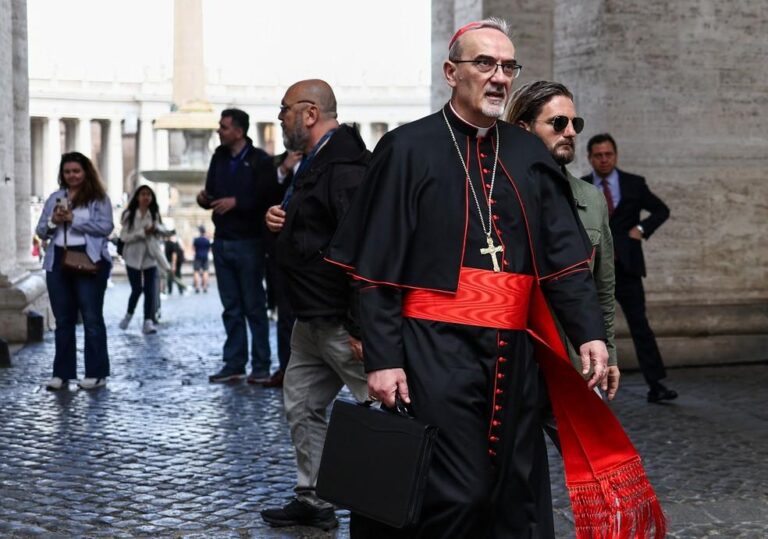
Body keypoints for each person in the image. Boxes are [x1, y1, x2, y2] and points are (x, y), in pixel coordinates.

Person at [327, 18, 664, 538]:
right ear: (451, 71)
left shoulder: (529, 155)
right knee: (453, 489)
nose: (499, 76)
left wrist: (590, 333)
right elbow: (375, 269)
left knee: (510, 486)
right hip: (433, 350)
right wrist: (384, 359)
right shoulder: (407, 149)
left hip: (514, 352)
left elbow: (564, 261)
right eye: (484, 63)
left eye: (508, 66)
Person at [259, 80, 369, 531]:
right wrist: (277, 220)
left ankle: (411, 497)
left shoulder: (346, 168)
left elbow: (363, 248)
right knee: (301, 404)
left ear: (309, 113)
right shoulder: (315, 162)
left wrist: (362, 326)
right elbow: (314, 229)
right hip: (310, 318)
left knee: (389, 405)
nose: (280, 118)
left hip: (341, 321)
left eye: (284, 110)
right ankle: (315, 497)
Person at [507, 80, 620, 401]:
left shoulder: (591, 199)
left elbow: (602, 288)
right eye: (558, 123)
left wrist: (608, 353)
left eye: (575, 123)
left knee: (595, 450)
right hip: (513, 364)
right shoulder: (494, 197)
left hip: (575, 364)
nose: (570, 131)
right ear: (524, 128)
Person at [581, 133, 676, 404]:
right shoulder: (582, 186)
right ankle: (590, 385)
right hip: (595, 269)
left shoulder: (634, 184)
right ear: (590, 158)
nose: (603, 159)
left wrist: (642, 229)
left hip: (628, 268)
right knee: (591, 327)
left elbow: (661, 210)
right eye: (598, 155)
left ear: (616, 155)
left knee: (640, 325)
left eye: (608, 154)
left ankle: (656, 383)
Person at [196, 108, 281, 383]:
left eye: (223, 127)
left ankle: (260, 365)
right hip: (223, 240)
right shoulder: (218, 157)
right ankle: (234, 363)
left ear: (239, 131)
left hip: (250, 241)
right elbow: (211, 190)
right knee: (231, 306)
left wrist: (236, 202)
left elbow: (268, 196)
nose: (219, 131)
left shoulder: (260, 161)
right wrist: (204, 199)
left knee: (254, 306)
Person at [35, 152, 114, 390]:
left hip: (89, 259)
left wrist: (74, 220)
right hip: (58, 260)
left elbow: (106, 227)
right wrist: (54, 221)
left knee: (91, 317)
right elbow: (41, 230)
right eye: (67, 172)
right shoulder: (55, 197)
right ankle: (62, 373)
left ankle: (96, 372)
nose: (72, 176)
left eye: (76, 171)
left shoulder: (98, 198)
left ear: (86, 172)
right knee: (63, 319)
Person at [261, 151, 302, 388]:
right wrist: (283, 170)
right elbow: (261, 196)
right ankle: (286, 368)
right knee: (284, 314)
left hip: (314, 254)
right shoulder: (276, 164)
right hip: (281, 252)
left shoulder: (327, 159)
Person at [118, 185, 164, 335]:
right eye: (143, 194)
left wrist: (160, 232)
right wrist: (143, 232)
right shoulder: (129, 215)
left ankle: (148, 321)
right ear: (137, 197)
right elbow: (124, 237)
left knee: (150, 290)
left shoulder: (154, 214)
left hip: (150, 255)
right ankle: (129, 315)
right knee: (137, 289)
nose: (146, 197)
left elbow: (157, 235)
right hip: (133, 255)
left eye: (149, 195)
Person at [192, 225, 211, 293]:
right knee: (205, 271)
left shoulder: (196, 240)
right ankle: (205, 287)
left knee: (196, 271)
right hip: (205, 257)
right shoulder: (207, 240)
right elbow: (209, 249)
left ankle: (197, 287)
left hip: (198, 257)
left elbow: (193, 249)